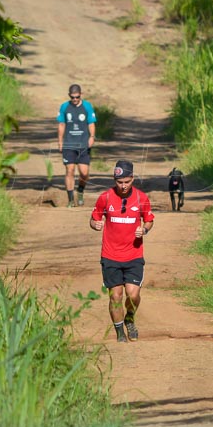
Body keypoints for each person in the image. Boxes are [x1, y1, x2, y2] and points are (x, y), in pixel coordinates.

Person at [90, 160, 155, 342]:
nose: (123, 186)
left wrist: (145, 229)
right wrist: (95, 224)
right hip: (110, 256)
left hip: (133, 254)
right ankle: (119, 334)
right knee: (115, 296)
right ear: (114, 180)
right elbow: (94, 218)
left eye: (127, 181)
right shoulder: (105, 197)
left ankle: (130, 318)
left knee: (133, 294)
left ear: (132, 179)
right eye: (120, 182)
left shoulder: (142, 198)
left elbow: (149, 219)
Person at [56, 84, 96, 207]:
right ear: (69, 96)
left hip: (83, 143)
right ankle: (70, 200)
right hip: (69, 143)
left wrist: (92, 136)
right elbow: (62, 125)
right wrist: (60, 141)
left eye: (77, 97)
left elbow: (91, 123)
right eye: (72, 97)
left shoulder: (87, 106)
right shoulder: (64, 107)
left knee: (84, 173)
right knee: (70, 170)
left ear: (80, 95)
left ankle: (80, 191)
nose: (75, 99)